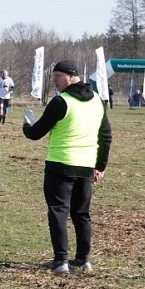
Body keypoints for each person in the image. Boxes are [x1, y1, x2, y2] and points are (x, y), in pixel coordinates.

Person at [22, 59, 112, 275]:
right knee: (81, 214)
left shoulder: (61, 102)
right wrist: (100, 166)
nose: (54, 80)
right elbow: (106, 136)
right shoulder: (98, 101)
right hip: (86, 166)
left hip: (60, 164)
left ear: (71, 77)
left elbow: (36, 133)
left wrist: (26, 126)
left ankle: (61, 261)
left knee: (58, 212)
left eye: (57, 76)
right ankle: (83, 260)